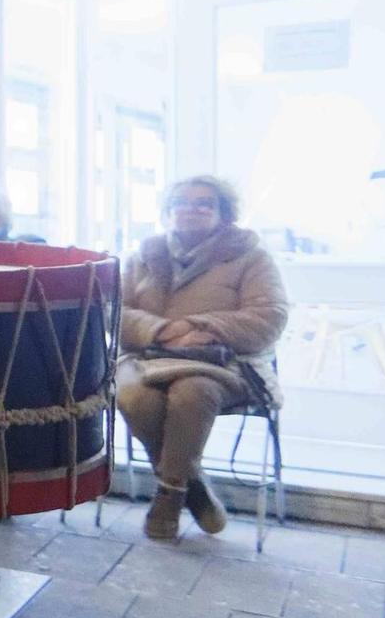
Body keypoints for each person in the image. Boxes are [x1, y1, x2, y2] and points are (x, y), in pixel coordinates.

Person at [117, 175, 287, 541]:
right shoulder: (144, 255)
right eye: (181, 202)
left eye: (204, 203)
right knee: (131, 394)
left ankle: (168, 496)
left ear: (224, 214)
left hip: (220, 363)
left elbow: (270, 316)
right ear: (167, 211)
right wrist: (162, 330)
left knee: (192, 391)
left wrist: (203, 327)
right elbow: (112, 310)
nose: (190, 209)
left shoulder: (250, 256)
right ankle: (189, 483)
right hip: (147, 358)